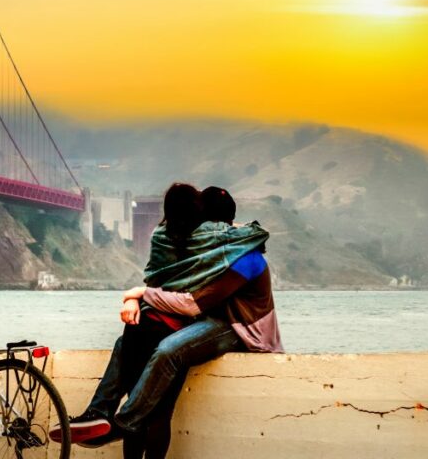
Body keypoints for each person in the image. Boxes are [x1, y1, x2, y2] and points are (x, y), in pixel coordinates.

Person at [50, 185, 281, 458]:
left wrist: (139, 293)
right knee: (125, 345)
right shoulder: (209, 251)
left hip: (241, 329)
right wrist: (134, 299)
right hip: (204, 321)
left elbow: (193, 302)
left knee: (170, 350)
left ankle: (121, 423)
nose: (205, 231)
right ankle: (98, 411)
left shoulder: (245, 258)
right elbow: (175, 285)